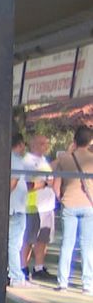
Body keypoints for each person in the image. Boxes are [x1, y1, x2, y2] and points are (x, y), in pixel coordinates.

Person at [52, 125, 93, 293]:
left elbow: (50, 170)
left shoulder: (65, 158)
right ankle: (88, 284)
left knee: (67, 243)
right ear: (90, 141)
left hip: (69, 203)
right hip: (88, 205)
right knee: (87, 245)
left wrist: (61, 199)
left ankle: (62, 282)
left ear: (74, 141)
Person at [21, 133, 56, 281]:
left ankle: (39, 268)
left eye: (46, 143)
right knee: (29, 238)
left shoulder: (44, 161)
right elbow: (27, 184)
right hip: (33, 206)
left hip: (47, 206)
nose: (45, 146)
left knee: (43, 238)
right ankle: (23, 267)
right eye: (42, 143)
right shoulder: (27, 161)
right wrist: (45, 183)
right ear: (33, 144)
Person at [8, 133, 32, 287]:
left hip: (11, 207)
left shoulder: (3, 159)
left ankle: (12, 273)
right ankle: (16, 275)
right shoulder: (16, 161)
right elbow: (12, 183)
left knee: (12, 242)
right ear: (20, 144)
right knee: (14, 243)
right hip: (16, 208)